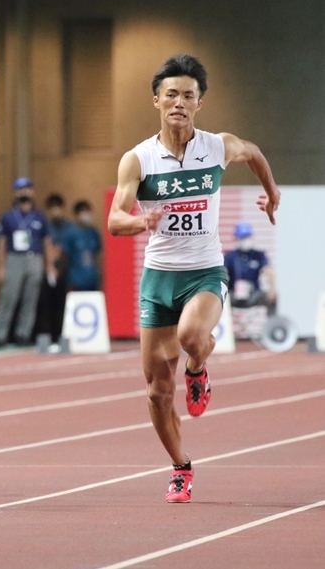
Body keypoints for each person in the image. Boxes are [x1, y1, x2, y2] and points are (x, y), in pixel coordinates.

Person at [107, 54, 280, 503]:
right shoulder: (139, 159)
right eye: (171, 95)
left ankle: (199, 370)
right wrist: (141, 223)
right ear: (156, 101)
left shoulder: (217, 146)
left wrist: (272, 193)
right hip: (158, 280)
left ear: (199, 103)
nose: (179, 103)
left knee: (191, 335)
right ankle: (181, 467)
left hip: (204, 271)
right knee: (156, 392)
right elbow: (113, 221)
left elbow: (255, 153)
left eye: (188, 95)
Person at [0, 177, 57, 347]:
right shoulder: (7, 216)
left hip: (34, 257)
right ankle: (0, 334)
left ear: (33, 192)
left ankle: (23, 333)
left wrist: (49, 265)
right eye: (21, 189)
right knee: (9, 297)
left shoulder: (39, 216)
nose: (25, 192)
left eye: (28, 188)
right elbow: (1, 242)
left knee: (31, 299)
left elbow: (46, 241)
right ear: (15, 192)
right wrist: (0, 266)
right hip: (14, 258)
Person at [35, 193, 70, 342]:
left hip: (62, 273)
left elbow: (67, 252)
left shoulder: (68, 229)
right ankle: (44, 335)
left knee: (61, 307)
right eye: (53, 208)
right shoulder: (44, 227)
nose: (56, 211)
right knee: (44, 306)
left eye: (58, 208)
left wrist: (60, 270)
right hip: (45, 272)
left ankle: (59, 335)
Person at [223, 222, 277, 315]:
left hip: (253, 294)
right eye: (242, 238)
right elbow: (223, 272)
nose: (245, 241)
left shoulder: (258, 255)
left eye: (247, 237)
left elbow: (269, 271)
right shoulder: (230, 256)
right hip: (234, 295)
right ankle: (223, 327)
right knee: (218, 299)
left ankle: (272, 325)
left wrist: (272, 289)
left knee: (273, 297)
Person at [63, 200, 102, 292]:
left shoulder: (94, 233)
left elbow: (98, 256)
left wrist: (99, 275)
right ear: (76, 215)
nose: (86, 215)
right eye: (82, 212)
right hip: (75, 280)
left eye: (87, 211)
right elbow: (65, 257)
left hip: (92, 279)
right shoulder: (71, 233)